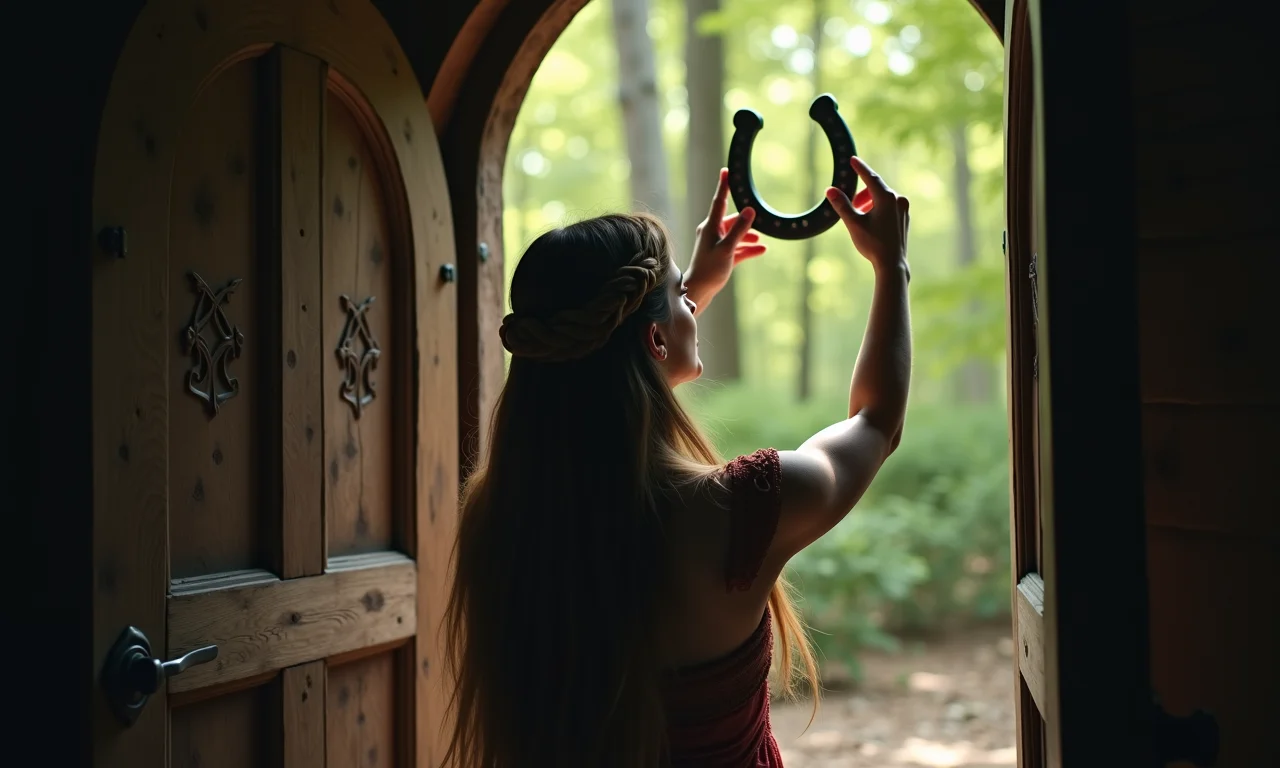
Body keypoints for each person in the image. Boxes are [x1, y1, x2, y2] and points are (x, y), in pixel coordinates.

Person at [443, 156, 912, 768]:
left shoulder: (500, 514)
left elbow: (606, 393)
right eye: (679, 295)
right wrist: (890, 266)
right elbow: (877, 421)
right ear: (655, 340)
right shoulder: (743, 509)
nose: (692, 300)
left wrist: (679, 297)